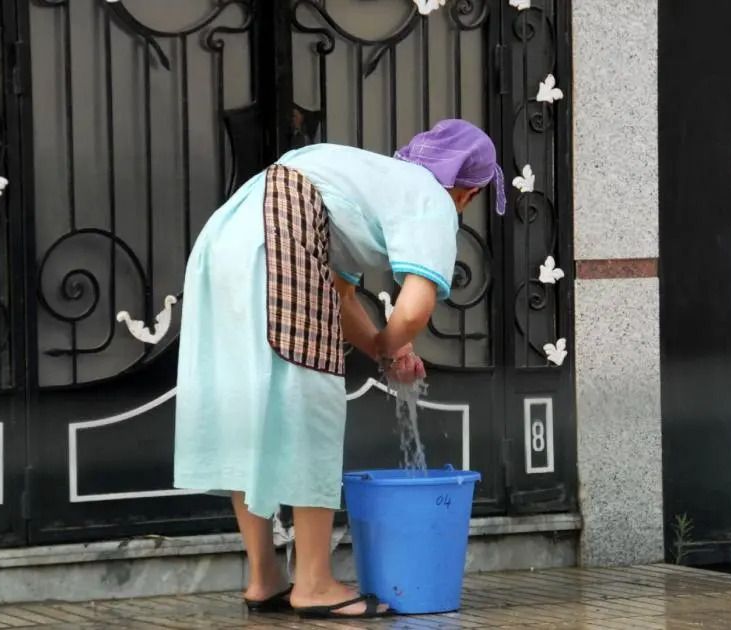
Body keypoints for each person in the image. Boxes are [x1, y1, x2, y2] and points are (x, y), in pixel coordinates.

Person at [173, 119, 505, 619]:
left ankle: (266, 577)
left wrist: (383, 350)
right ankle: (313, 583)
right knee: (312, 400)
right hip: (277, 238)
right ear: (468, 191)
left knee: (247, 406)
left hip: (225, 240)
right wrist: (394, 344)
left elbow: (342, 297)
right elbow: (415, 307)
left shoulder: (370, 180)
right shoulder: (431, 198)